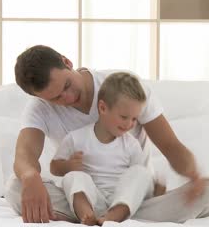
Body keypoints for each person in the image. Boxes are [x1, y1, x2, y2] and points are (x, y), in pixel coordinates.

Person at [5, 45, 209, 224]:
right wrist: (30, 176)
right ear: (41, 98)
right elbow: (25, 152)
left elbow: (169, 145)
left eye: (67, 86)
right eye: (55, 98)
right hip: (85, 196)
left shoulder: (123, 86)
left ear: (67, 61)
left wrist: (194, 176)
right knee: (15, 188)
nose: (68, 98)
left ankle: (112, 216)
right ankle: (105, 217)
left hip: (133, 194)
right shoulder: (39, 109)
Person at [50, 72, 155, 225]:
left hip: (121, 201)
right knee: (73, 176)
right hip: (92, 198)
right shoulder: (76, 138)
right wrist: (68, 166)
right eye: (124, 117)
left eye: (134, 119)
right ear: (103, 108)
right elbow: (54, 167)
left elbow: (136, 181)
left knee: (141, 173)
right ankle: (87, 216)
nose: (130, 124)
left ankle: (113, 216)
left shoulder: (131, 144)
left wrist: (152, 188)